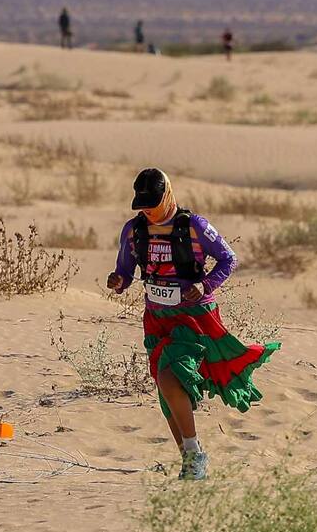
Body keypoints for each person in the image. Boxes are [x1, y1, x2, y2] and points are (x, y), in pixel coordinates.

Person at [107, 168, 279, 481]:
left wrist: (205, 285)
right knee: (165, 388)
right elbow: (125, 269)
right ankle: (189, 459)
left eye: (152, 204)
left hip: (194, 318)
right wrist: (119, 280)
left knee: (171, 377)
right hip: (156, 320)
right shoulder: (134, 231)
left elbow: (228, 259)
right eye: (142, 205)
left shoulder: (195, 226)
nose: (147, 210)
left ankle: (195, 453)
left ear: (167, 196)